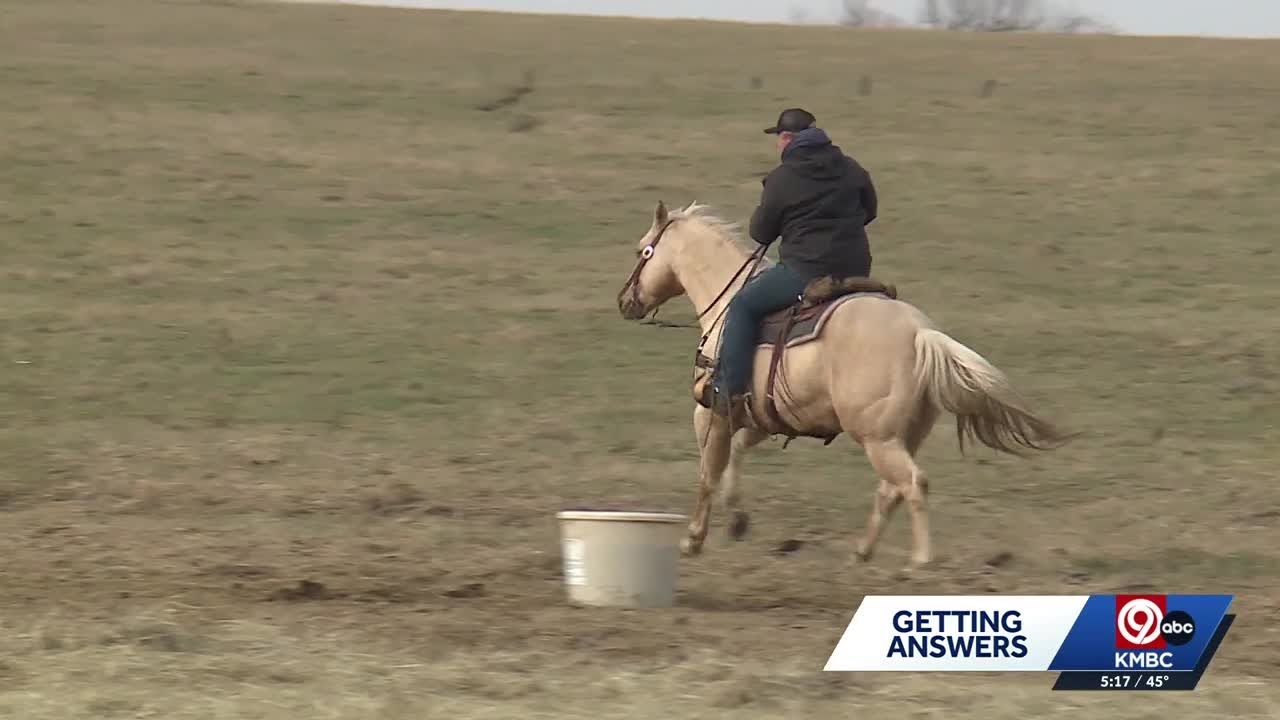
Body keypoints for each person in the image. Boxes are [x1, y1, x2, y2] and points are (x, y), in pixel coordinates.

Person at [701, 107, 879, 419]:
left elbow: (760, 232)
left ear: (786, 138)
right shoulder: (851, 167)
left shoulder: (783, 178)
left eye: (778, 139)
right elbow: (871, 210)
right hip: (856, 266)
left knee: (742, 305)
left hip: (805, 270)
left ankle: (727, 391)